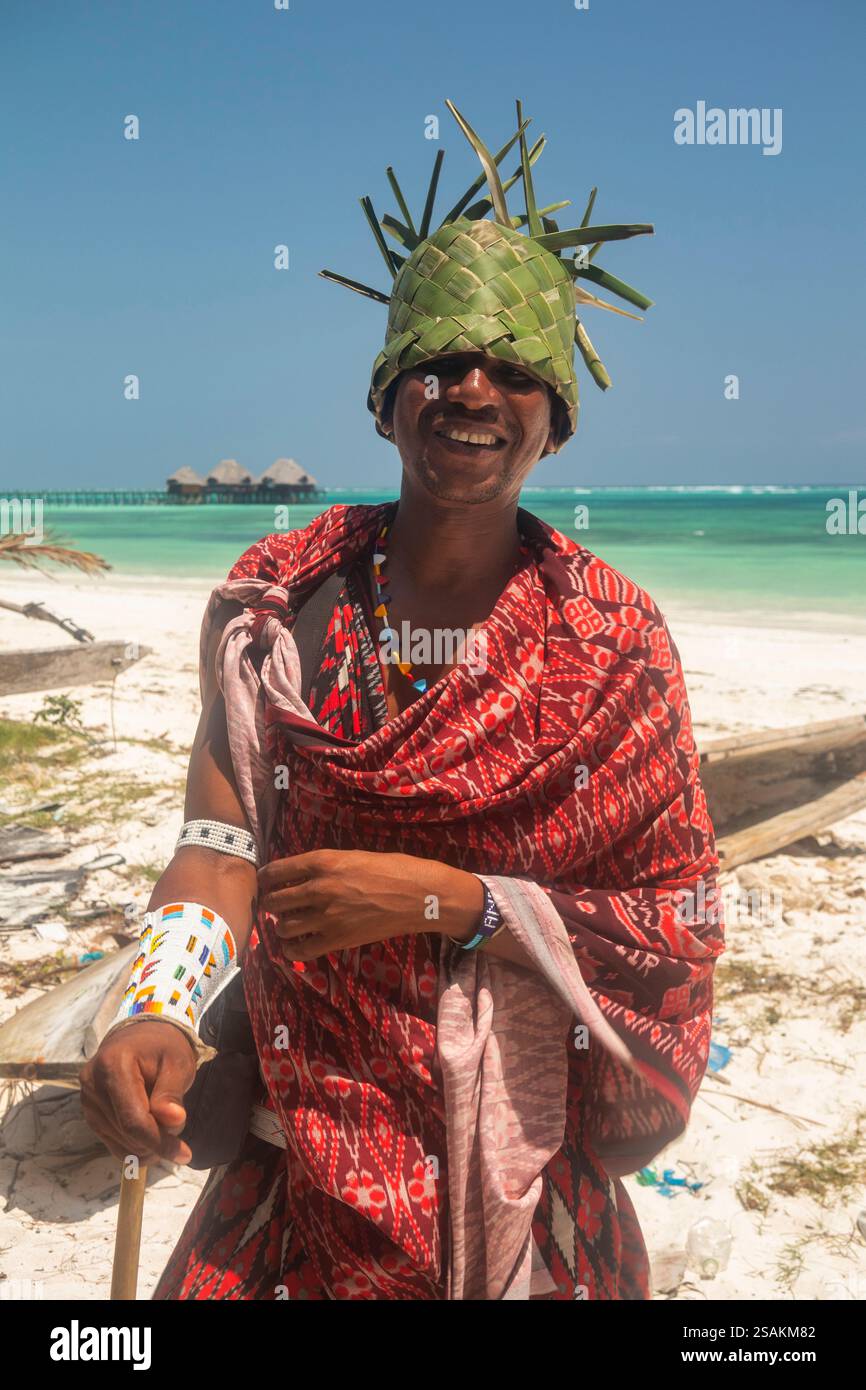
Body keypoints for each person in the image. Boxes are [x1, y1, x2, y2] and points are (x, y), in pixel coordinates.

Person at [81, 101, 723, 1301]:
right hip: (295, 1163)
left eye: (515, 368)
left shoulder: (614, 642)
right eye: (436, 361)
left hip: (530, 1186)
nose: (471, 388)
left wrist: (453, 902)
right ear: (384, 403)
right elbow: (218, 851)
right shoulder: (281, 608)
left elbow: (671, 920)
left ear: (553, 422)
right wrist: (154, 1008)